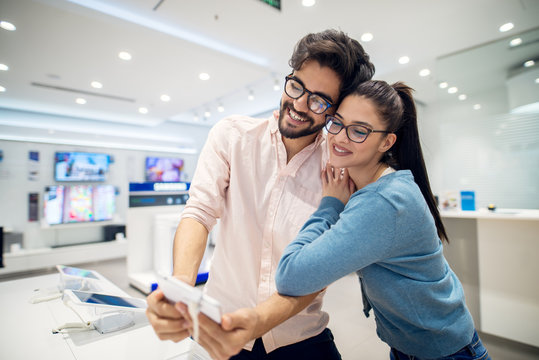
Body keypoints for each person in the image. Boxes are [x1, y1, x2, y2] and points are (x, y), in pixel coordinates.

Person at [145, 29, 375, 359]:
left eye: (318, 100)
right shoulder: (232, 136)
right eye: (296, 85)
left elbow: (323, 267)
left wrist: (261, 320)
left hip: (300, 337)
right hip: (219, 327)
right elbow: (199, 212)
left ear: (335, 112)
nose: (297, 104)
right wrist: (181, 285)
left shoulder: (341, 170)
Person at [275, 80, 491, 360]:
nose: (339, 138)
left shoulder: (384, 202)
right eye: (337, 123)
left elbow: (290, 276)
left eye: (359, 131)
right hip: (424, 346)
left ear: (387, 141)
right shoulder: (385, 185)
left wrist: (329, 205)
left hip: (443, 353)